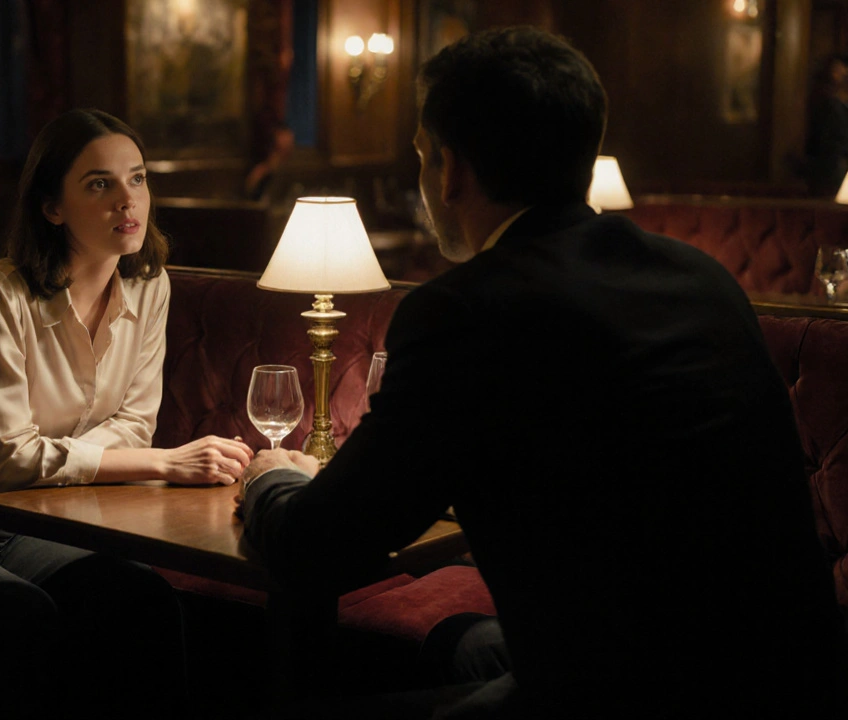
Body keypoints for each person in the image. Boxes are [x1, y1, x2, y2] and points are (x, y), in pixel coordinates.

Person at [237, 27, 848, 720]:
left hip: (623, 698)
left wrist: (272, 480)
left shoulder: (467, 311)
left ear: (448, 170)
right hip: (795, 681)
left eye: (419, 157)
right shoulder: (700, 279)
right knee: (467, 645)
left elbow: (316, 550)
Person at [0, 108, 254, 719]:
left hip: (43, 518)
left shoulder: (151, 285)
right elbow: (9, 457)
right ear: (52, 208)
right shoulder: (1, 292)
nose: (128, 200)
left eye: (138, 178)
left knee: (139, 597)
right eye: (100, 184)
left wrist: (120, 458)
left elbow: (132, 423)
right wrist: (165, 464)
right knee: (12, 614)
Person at [806, 55, 848, 197]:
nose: (837, 75)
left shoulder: (839, 104)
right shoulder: (829, 104)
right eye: (835, 71)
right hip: (831, 166)